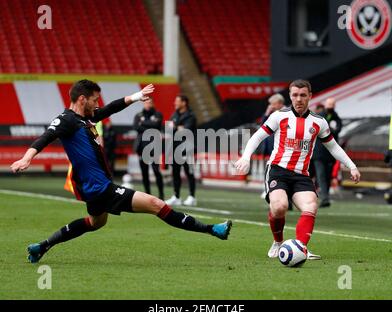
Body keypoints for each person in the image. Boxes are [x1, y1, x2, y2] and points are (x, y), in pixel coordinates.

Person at [10, 80, 232, 263]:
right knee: (156, 204)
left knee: (95, 223)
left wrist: (137, 96)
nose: (98, 104)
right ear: (82, 99)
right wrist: (27, 157)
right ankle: (213, 230)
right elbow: (45, 137)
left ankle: (43, 246)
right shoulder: (66, 120)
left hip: (94, 187)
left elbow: (110, 108)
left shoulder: (85, 117)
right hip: (101, 188)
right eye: (94, 100)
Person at [235, 79, 360, 260]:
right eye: (295, 95)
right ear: (290, 96)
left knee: (311, 205)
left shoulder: (319, 122)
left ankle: (300, 248)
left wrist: (352, 166)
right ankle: (278, 241)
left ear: (310, 96)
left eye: (303, 95)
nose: (299, 99)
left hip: (301, 174)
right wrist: (245, 157)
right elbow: (257, 137)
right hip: (278, 170)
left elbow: (333, 147)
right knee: (279, 207)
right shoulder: (279, 116)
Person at [165, 95, 197, 206]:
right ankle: (176, 196)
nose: (175, 103)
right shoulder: (174, 114)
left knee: (189, 173)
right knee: (175, 173)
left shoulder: (191, 116)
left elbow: (185, 131)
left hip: (187, 148)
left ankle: (192, 197)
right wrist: (176, 127)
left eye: (177, 101)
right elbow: (168, 128)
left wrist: (175, 127)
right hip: (175, 148)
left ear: (184, 103)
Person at [313, 98, 342, 207]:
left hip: (330, 153)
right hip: (318, 152)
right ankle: (324, 197)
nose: (330, 106)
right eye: (329, 104)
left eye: (332, 104)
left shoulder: (336, 117)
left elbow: (336, 130)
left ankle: (325, 197)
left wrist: (329, 128)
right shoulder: (319, 116)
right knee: (320, 175)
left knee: (327, 175)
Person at [133, 96, 164, 200]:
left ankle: (161, 194)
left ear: (152, 103)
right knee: (144, 172)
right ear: (143, 104)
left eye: (149, 102)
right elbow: (136, 127)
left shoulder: (158, 114)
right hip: (142, 147)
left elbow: (157, 125)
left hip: (154, 146)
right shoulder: (138, 115)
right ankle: (147, 195)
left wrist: (143, 123)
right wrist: (150, 125)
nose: (148, 104)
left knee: (156, 171)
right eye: (146, 102)